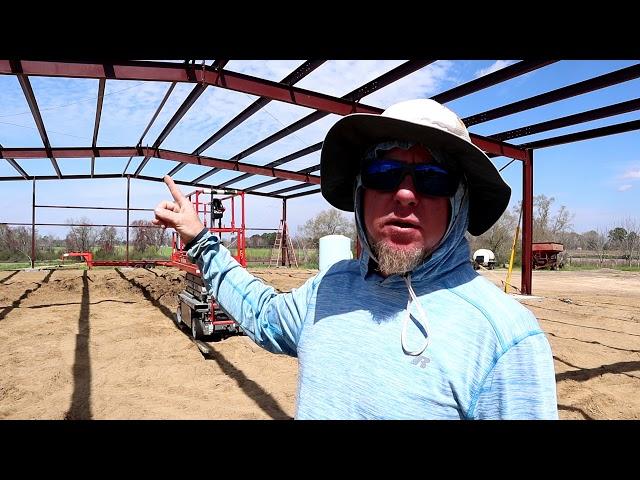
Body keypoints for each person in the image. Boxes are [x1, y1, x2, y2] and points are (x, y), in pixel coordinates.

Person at [153, 98, 558, 420]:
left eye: (434, 179)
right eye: (383, 172)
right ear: (361, 192)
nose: (404, 195)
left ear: (460, 202)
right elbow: (263, 315)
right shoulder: (330, 288)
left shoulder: (502, 337)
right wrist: (202, 241)